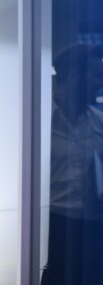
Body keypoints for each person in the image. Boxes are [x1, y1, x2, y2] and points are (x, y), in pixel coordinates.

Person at [41, 44, 103, 285]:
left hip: (92, 223)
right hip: (54, 222)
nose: (101, 83)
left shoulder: (100, 122)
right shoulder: (41, 121)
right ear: (74, 76)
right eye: (96, 75)